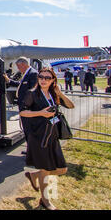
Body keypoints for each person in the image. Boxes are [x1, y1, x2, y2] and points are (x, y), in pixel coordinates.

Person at [20, 67, 74, 210]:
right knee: (45, 170)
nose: (43, 80)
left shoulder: (53, 94)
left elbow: (70, 105)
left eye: (47, 78)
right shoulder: (32, 94)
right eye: (41, 77)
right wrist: (41, 113)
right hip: (38, 136)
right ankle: (45, 201)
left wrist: (60, 93)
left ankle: (34, 175)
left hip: (52, 135)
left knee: (62, 169)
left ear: (53, 80)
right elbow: (23, 112)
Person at [4, 57, 38, 152]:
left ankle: (33, 151)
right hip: (24, 107)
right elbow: (21, 84)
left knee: (29, 129)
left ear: (23, 64)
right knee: (26, 129)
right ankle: (30, 149)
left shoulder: (33, 74)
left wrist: (27, 106)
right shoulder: (27, 73)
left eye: (19, 66)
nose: (18, 69)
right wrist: (9, 81)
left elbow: (33, 92)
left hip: (28, 108)